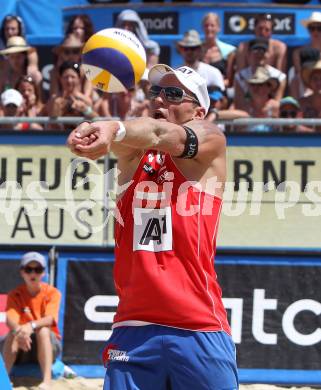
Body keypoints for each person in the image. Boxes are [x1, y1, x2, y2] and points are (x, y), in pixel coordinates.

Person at [67, 64, 238, 389]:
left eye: (174, 94)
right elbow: (136, 134)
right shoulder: (134, 154)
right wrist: (91, 131)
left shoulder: (211, 141)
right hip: (134, 326)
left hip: (198, 324)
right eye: (155, 92)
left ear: (198, 110)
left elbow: (162, 135)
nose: (161, 99)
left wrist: (113, 128)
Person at [2, 252, 62, 390]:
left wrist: (30, 326)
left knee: (43, 330)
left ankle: (47, 382)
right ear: (22, 272)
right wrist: (20, 332)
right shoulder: (15, 294)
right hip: (22, 343)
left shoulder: (52, 293)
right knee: (13, 332)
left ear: (44, 273)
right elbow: (10, 319)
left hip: (48, 344)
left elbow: (50, 319)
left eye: (38, 269)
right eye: (28, 269)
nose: (33, 273)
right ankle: (3, 381)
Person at [234, 38, 286, 110]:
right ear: (248, 54)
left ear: (269, 54)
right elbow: (239, 105)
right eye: (255, 50)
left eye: (263, 50)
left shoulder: (280, 77)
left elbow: (276, 104)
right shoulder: (240, 77)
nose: (259, 54)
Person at [46, 61, 97, 130]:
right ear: (60, 79)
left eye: (73, 77)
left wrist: (85, 109)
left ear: (79, 79)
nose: (69, 80)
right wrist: (56, 111)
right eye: (66, 77)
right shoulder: (54, 99)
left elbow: (96, 119)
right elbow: (50, 126)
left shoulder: (85, 100)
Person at [201, 12, 236, 86]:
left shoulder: (229, 52)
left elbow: (230, 81)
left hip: (219, 94)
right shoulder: (196, 50)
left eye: (212, 25)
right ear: (203, 28)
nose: (209, 28)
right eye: (206, 25)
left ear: (218, 28)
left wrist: (216, 84)